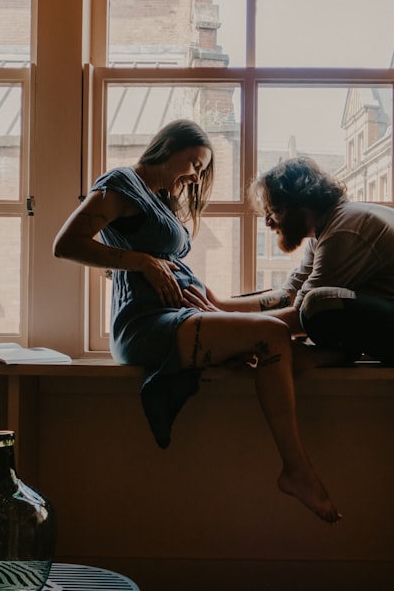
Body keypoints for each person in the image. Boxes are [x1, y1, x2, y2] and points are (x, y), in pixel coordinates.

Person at [52, 121, 339, 523]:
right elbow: (65, 244)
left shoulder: (158, 199)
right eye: (194, 163)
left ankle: (300, 458)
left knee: (288, 346)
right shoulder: (122, 183)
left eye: (202, 171)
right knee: (273, 335)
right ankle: (297, 470)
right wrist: (143, 263)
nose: (196, 176)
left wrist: (218, 306)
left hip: (178, 314)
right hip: (144, 322)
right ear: (169, 146)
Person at [189, 156, 394, 368]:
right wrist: (221, 306)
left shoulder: (346, 228)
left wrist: (228, 332)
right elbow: (289, 295)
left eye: (276, 211)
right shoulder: (325, 230)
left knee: (319, 304)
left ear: (302, 205)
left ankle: (332, 355)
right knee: (315, 303)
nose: (268, 221)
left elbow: (300, 316)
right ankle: (331, 354)